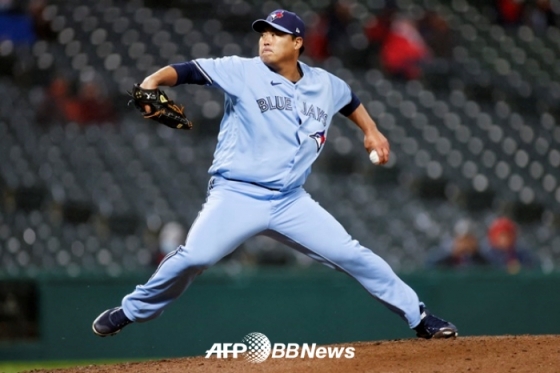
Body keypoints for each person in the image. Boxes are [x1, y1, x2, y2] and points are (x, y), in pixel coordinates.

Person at [92, 9, 457, 340]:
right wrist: (152, 81)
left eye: (277, 33)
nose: (266, 38)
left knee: (353, 255)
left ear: (297, 43)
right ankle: (130, 310)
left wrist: (371, 130)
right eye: (263, 32)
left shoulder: (324, 84)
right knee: (194, 258)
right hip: (236, 194)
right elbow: (188, 70)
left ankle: (419, 317)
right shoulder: (242, 70)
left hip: (290, 201)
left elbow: (349, 100)